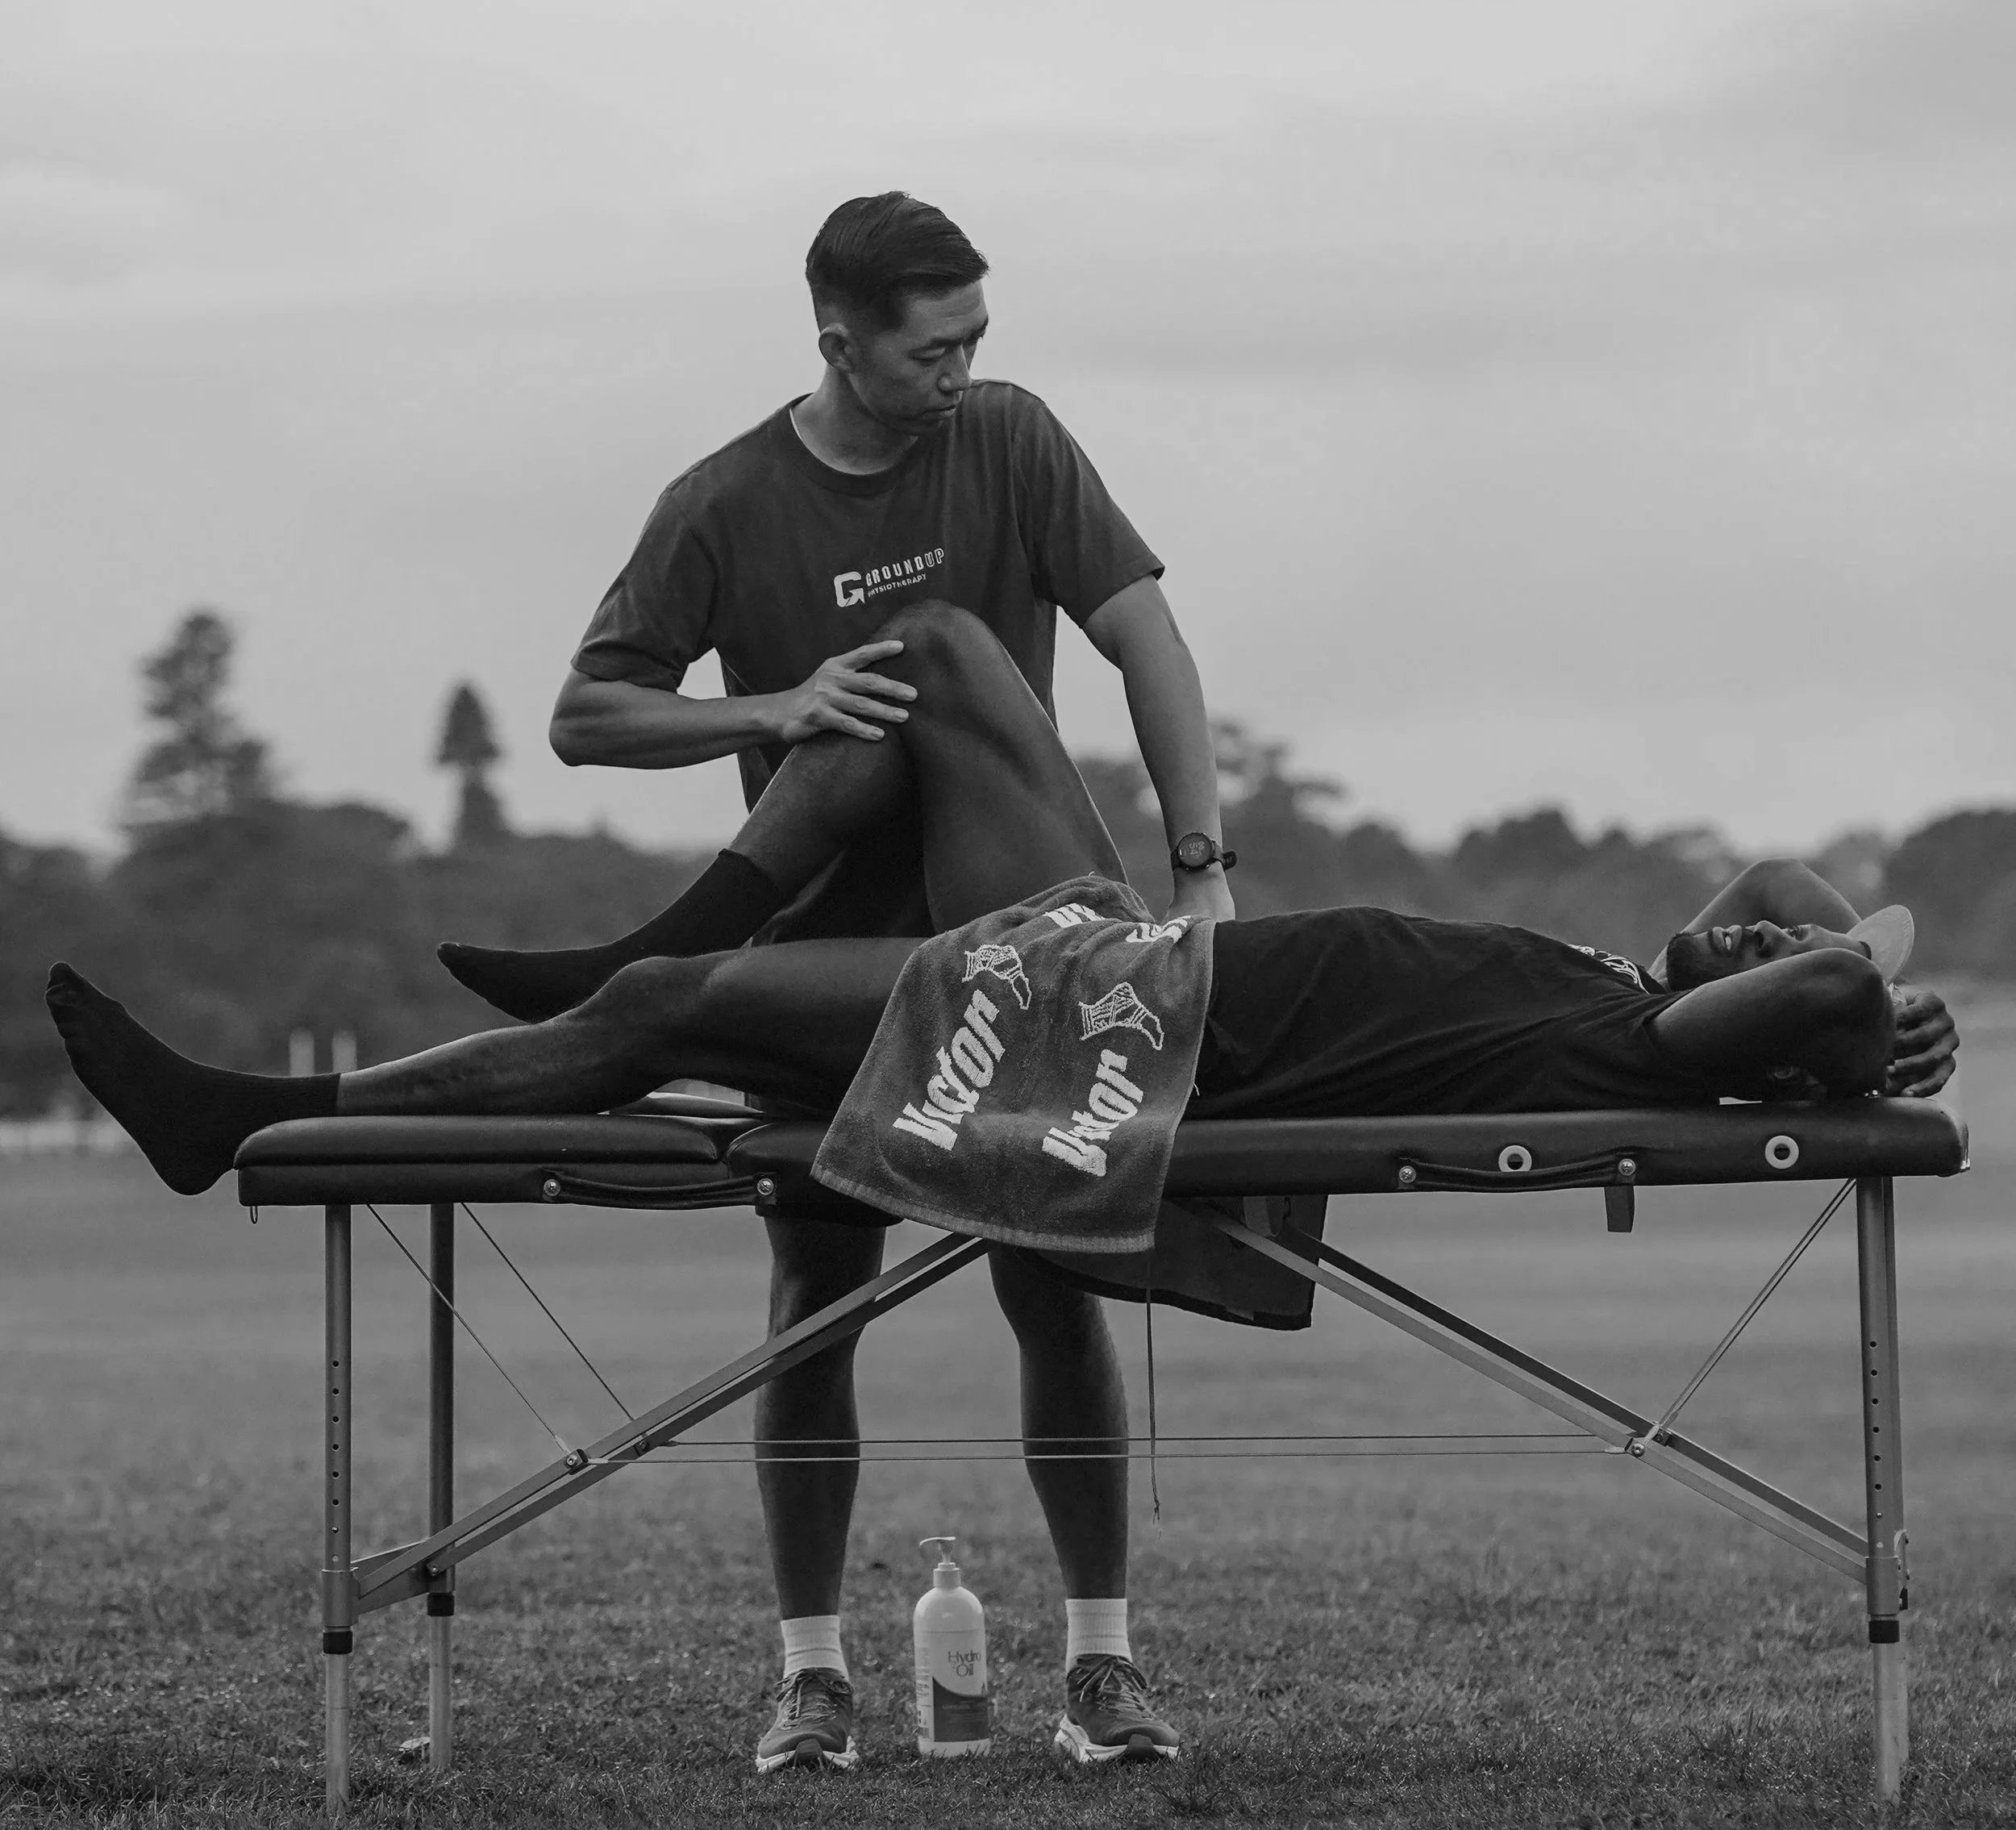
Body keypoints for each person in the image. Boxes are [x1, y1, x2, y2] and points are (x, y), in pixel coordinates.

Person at [51, 598, 1957, 1356]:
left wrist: (1849, 1005)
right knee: (954, 655)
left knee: (670, 1020)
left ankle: (243, 1125)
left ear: (1751, 1025)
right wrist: (1859, 963)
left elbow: (1805, 990)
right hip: (1125, 961)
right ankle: (655, 944)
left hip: (1110, 1034)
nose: (1755, 917)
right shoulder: (1626, 961)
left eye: (1766, 956)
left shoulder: (1646, 1027)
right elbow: (1805, 915)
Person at [435, 195, 1235, 1774]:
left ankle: (1100, 1670)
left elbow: (1147, 638)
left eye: (975, 342)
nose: (960, 372)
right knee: (813, 1305)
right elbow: (587, 715)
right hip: (811, 974)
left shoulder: (1009, 442)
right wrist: (775, 709)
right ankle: (811, 1681)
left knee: (1052, 1295)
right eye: (930, 349)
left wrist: (1201, 863)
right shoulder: (723, 502)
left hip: (1014, 959)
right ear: (838, 344)